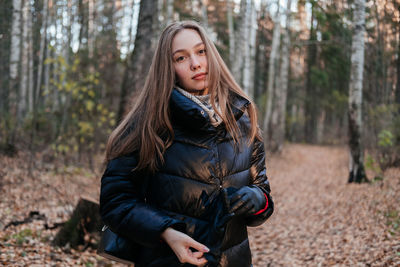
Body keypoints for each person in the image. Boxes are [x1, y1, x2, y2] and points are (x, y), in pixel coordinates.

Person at [99, 20, 274, 267]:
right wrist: (166, 233)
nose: (196, 63)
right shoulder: (146, 126)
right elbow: (115, 202)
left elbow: (264, 199)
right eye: (181, 58)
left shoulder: (244, 120)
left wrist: (256, 199)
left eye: (201, 51)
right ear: (167, 68)